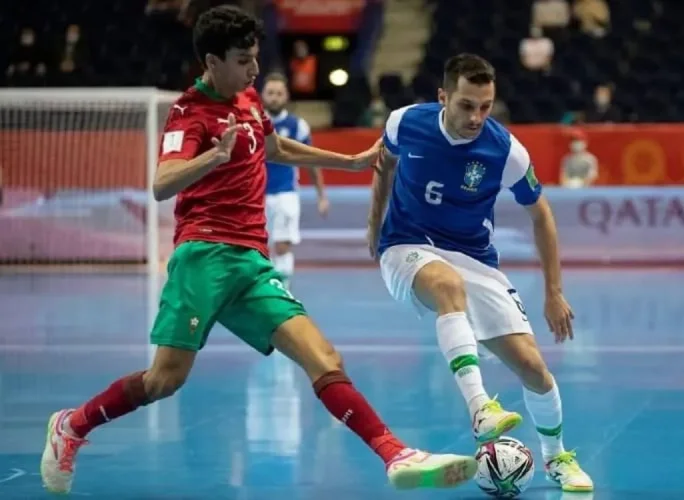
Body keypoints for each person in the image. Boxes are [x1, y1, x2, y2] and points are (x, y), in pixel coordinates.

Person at [40, 7, 477, 494]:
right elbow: (162, 184)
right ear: (212, 60)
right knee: (164, 381)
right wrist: (213, 156)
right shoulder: (190, 113)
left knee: (325, 357)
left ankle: (395, 454)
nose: (254, 70)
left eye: (255, 58)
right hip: (203, 257)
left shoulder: (248, 99)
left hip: (250, 264)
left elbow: (276, 149)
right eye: (244, 60)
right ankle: (72, 426)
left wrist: (348, 162)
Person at [367, 53, 594, 493]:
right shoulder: (404, 122)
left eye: (485, 106)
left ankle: (557, 459)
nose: (476, 117)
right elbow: (385, 164)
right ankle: (480, 407)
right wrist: (373, 225)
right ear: (443, 97)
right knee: (447, 286)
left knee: (533, 368)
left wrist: (553, 292)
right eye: (467, 105)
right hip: (406, 246)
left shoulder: (504, 149)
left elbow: (541, 215)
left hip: (474, 257)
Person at [261, 72, 328, 288]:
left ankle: (283, 291)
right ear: (263, 95)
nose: (274, 97)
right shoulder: (252, 123)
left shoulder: (297, 126)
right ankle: (262, 292)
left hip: (285, 194)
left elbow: (311, 161)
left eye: (278, 93)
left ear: (286, 96)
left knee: (282, 245)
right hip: (255, 196)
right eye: (270, 93)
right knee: (258, 247)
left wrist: (321, 195)